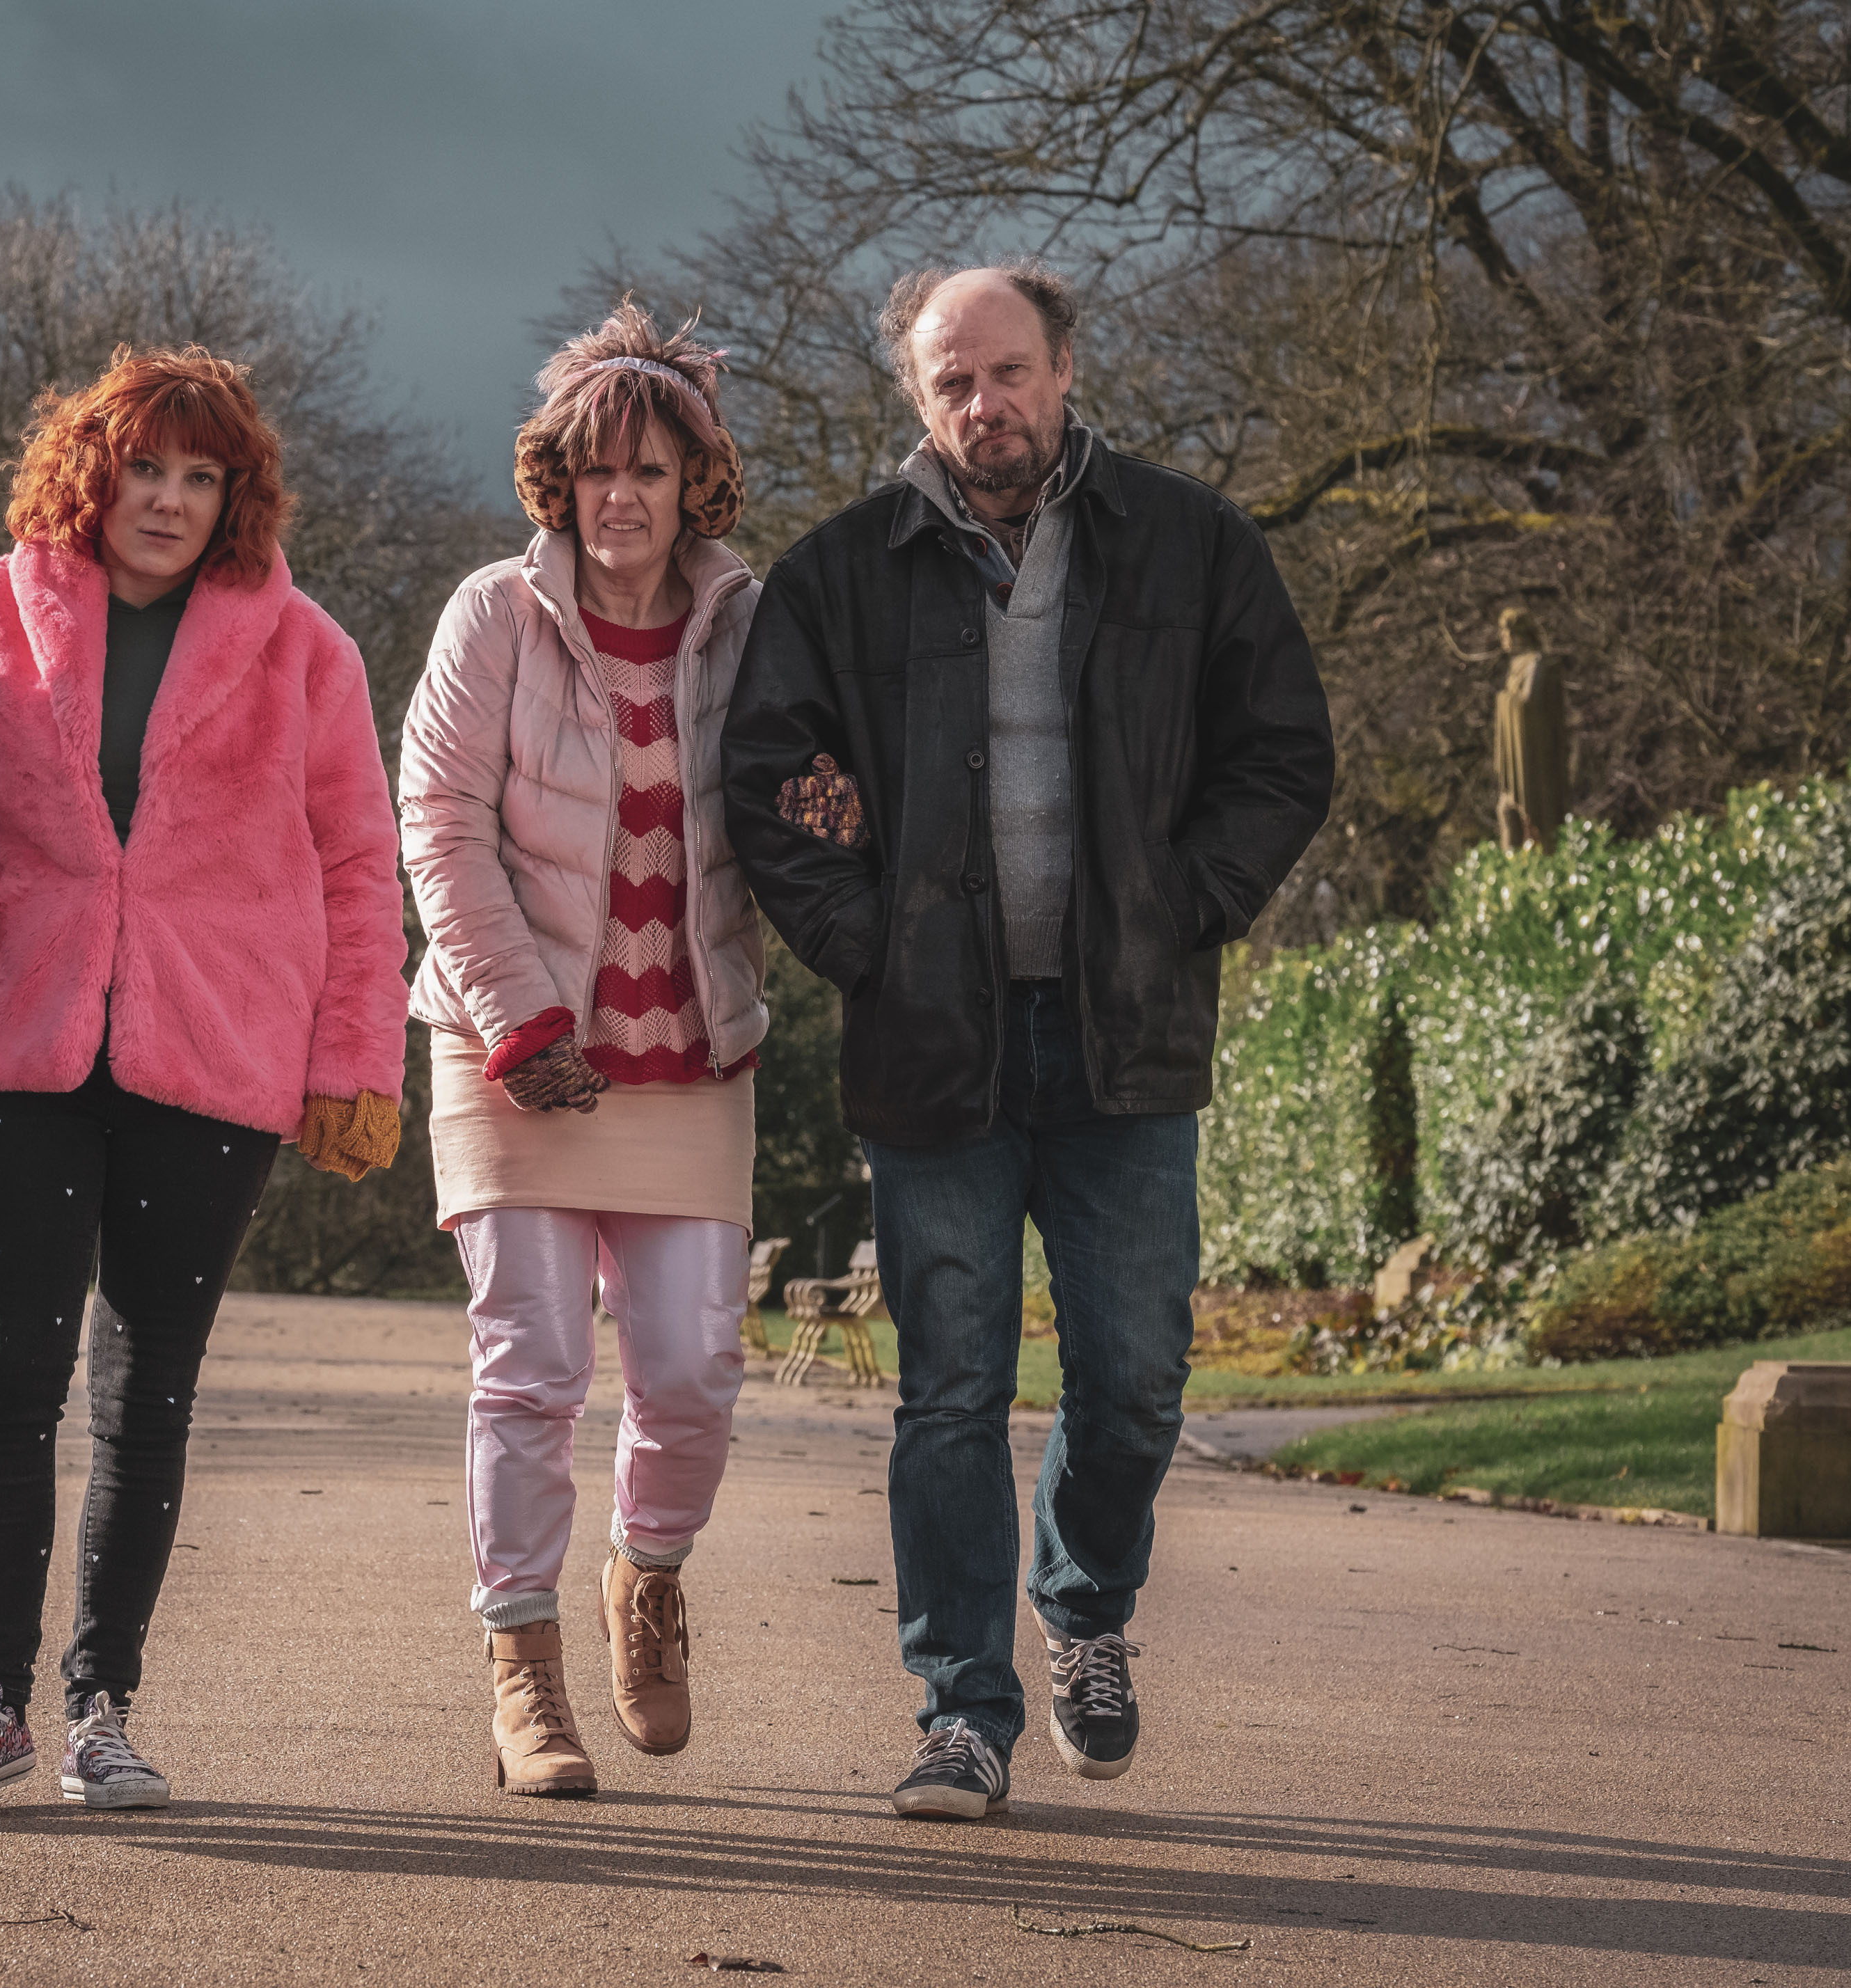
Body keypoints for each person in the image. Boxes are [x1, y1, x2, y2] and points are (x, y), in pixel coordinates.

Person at [722, 261, 1332, 1820]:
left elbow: (1282, 756)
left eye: (1007, 372)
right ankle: (960, 1710)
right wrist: (877, 952)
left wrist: (1180, 907)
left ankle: (1086, 1610)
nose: (982, 405)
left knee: (1133, 1380)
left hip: (1125, 1038)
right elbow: (770, 786)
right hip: (935, 1052)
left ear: (1065, 370)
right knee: (950, 1391)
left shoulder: (1193, 545)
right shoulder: (843, 574)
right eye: (951, 383)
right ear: (919, 400)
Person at [0, 345, 409, 1812]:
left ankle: (100, 1705)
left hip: (218, 1052)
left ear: (235, 496)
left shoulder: (306, 646)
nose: (170, 500)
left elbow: (361, 869)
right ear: (91, 470)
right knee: (10, 1384)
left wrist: (354, 1060)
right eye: (147, 469)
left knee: (149, 1393)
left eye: (203, 476)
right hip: (26, 1040)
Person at [398, 303, 768, 1797]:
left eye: (654, 472)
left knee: (692, 1366)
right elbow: (436, 821)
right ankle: (525, 1669)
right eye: (596, 471)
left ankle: (647, 1577)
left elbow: (809, 787)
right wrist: (519, 1015)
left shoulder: (751, 622)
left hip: (689, 1052)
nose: (623, 497)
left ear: (698, 487)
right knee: (533, 1364)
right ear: (559, 483)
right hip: (514, 1052)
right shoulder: (494, 612)